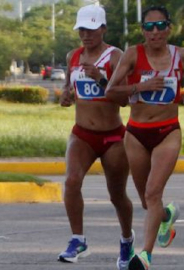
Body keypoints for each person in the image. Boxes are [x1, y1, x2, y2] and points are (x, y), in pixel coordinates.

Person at [106, 5, 184, 270]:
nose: (155, 32)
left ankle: (145, 256)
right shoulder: (133, 55)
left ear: (169, 28)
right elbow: (111, 90)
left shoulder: (179, 55)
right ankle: (167, 215)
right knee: (147, 201)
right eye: (149, 27)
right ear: (142, 31)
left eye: (161, 26)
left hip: (167, 132)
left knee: (152, 192)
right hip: (136, 133)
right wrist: (140, 86)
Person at [57, 5, 134, 270]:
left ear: (103, 29)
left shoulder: (116, 57)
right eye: (82, 30)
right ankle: (78, 239)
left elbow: (125, 99)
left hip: (112, 136)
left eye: (91, 29)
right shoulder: (73, 56)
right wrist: (66, 93)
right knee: (71, 181)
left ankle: (126, 240)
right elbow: (70, 85)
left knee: (116, 195)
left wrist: (102, 79)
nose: (86, 35)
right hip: (82, 133)